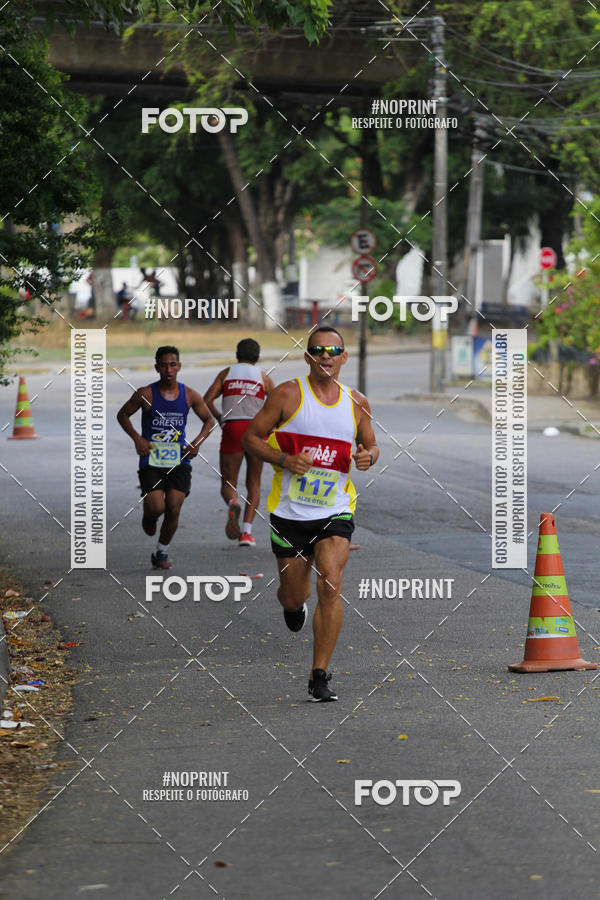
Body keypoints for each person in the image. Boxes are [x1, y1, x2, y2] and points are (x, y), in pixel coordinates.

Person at [242, 326, 379, 701]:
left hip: (335, 509)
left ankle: (319, 675)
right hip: (290, 514)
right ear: (307, 357)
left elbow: (370, 445)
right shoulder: (287, 394)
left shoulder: (357, 402)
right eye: (318, 350)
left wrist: (368, 456)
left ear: (343, 357)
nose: (326, 356)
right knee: (294, 595)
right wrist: (285, 459)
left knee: (330, 583)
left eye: (334, 350)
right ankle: (291, 602)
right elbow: (250, 439)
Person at [117, 346, 215, 569]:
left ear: (179, 367)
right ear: (156, 367)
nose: (168, 370)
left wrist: (197, 442)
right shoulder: (146, 394)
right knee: (157, 507)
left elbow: (209, 421)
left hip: (179, 460)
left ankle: (162, 551)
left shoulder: (189, 395)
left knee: (174, 506)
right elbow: (122, 414)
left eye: (173, 365)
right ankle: (149, 516)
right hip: (151, 459)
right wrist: (137, 438)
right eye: (164, 365)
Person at [204, 339, 274, 546]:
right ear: (258, 357)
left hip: (232, 428)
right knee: (254, 483)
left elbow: (207, 399)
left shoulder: (226, 373)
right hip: (256, 430)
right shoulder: (263, 377)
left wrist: (220, 417)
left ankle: (233, 502)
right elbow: (277, 403)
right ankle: (246, 533)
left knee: (228, 482)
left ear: (236, 355)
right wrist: (268, 427)